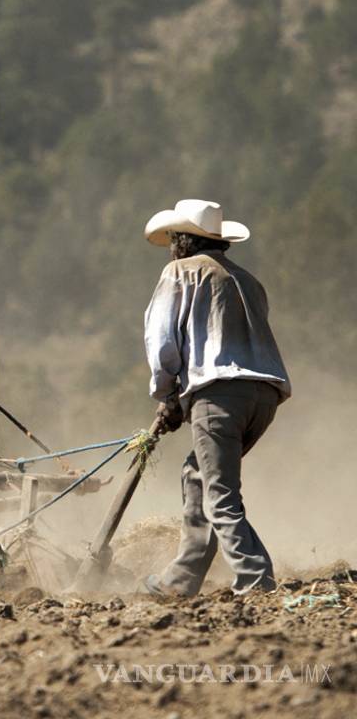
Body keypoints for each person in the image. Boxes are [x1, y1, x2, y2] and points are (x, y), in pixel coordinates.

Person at [140, 199, 290, 596]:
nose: (172, 246)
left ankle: (256, 579)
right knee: (198, 476)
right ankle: (181, 579)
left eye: (174, 239)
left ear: (186, 241)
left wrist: (167, 393)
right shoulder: (247, 280)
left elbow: (161, 340)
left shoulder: (180, 272)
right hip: (264, 395)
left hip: (219, 394)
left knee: (220, 495)